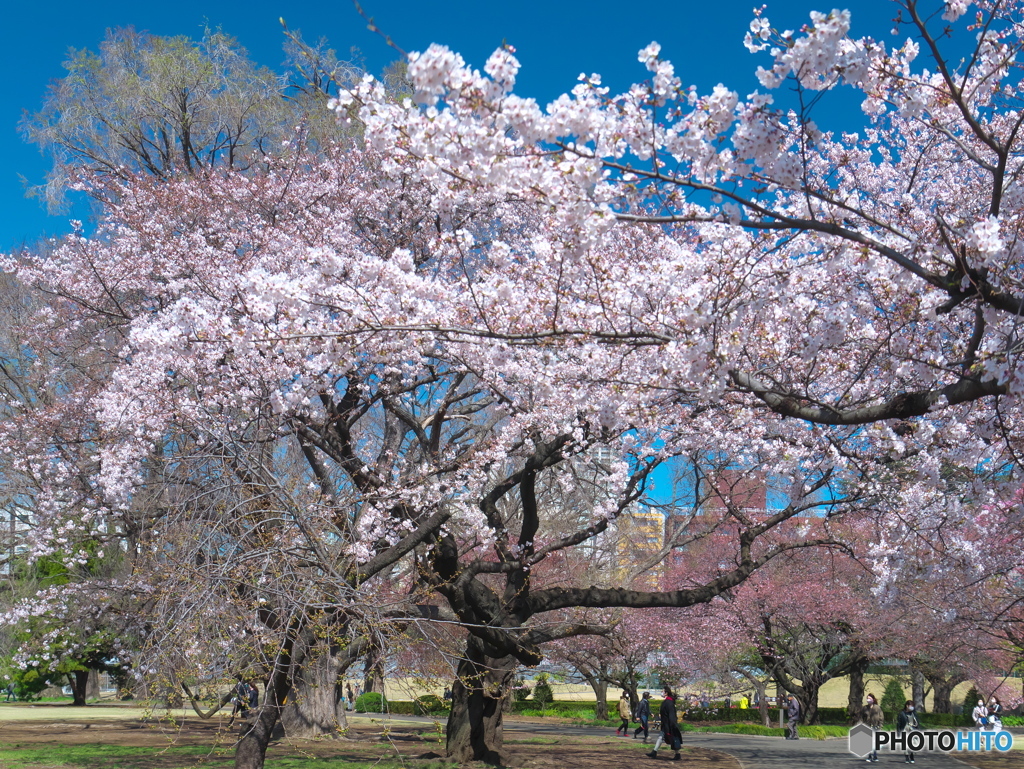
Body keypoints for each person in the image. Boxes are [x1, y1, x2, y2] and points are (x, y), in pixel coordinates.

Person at [648, 686, 682, 761]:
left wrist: (673, 724)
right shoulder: (667, 701)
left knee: (673, 739)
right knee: (661, 737)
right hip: (666, 723)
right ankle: (654, 752)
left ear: (666, 692)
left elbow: (671, 714)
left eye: (662, 691)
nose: (661, 692)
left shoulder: (669, 702)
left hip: (669, 724)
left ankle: (677, 754)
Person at [896, 700, 920, 764]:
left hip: (912, 730)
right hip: (905, 730)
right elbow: (899, 724)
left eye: (913, 706)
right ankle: (907, 757)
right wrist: (898, 732)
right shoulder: (902, 714)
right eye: (911, 706)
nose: (912, 707)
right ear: (907, 706)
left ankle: (912, 756)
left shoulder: (914, 713)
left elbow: (917, 723)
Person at [862, 693, 884, 762]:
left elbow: (881, 717)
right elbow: (862, 717)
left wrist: (880, 725)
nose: (868, 700)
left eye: (870, 698)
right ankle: (869, 756)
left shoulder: (877, 708)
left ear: (873, 699)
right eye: (867, 698)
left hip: (875, 727)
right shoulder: (865, 708)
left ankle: (874, 755)